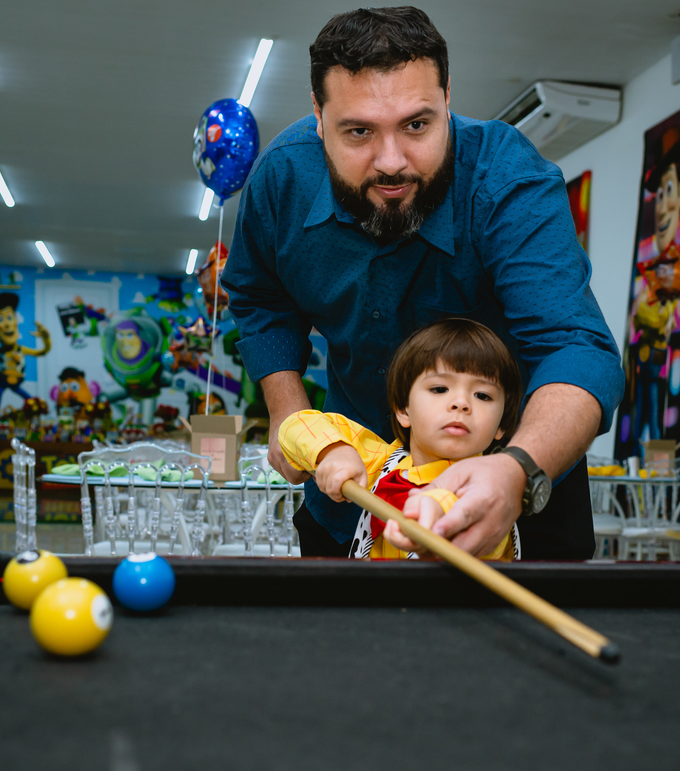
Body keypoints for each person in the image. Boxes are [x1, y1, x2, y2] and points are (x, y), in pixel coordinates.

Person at [222, 7, 623, 560]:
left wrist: (516, 469)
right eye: (359, 131)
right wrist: (290, 414)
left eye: (417, 125)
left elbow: (575, 348)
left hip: (514, 486)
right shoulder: (283, 177)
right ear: (318, 116)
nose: (392, 163)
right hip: (353, 486)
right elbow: (261, 297)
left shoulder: (507, 179)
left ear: (448, 100)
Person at [279, 318, 521, 559]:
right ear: (404, 409)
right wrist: (332, 451)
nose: (461, 403)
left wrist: (436, 509)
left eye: (482, 395)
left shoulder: (494, 497)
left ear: (502, 424)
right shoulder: (383, 463)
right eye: (439, 389)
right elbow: (295, 425)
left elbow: (468, 512)